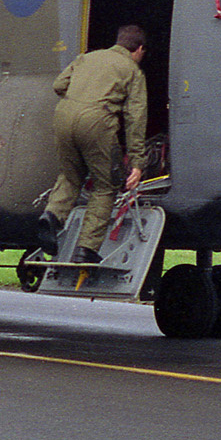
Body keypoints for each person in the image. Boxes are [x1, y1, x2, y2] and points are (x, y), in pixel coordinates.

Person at [38, 24, 148, 265]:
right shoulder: (132, 71)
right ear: (139, 49)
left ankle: (52, 216)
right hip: (96, 122)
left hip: (63, 118)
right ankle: (85, 249)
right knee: (106, 185)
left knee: (71, 175)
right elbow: (135, 119)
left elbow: (58, 85)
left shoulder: (86, 58)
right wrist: (138, 163)